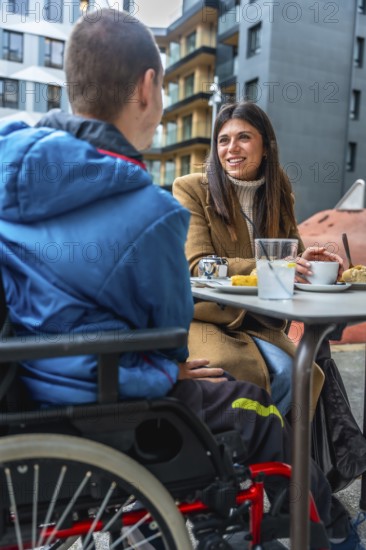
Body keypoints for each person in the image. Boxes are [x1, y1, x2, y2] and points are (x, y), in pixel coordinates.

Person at [0, 9, 362, 549]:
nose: (231, 149)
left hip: (26, 384)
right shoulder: (153, 209)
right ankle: (327, 537)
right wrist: (170, 364)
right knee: (262, 412)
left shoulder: (10, 168)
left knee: (292, 369)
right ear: (148, 88)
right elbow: (171, 329)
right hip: (111, 394)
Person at [173, 100, 344, 418]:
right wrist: (278, 268)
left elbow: (293, 255)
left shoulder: (279, 192)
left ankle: (274, 455)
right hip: (209, 319)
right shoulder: (192, 189)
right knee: (263, 375)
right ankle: (247, 459)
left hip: (263, 322)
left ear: (266, 147)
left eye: (244, 138)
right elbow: (200, 265)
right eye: (223, 140)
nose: (231, 148)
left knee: (303, 376)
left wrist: (314, 265)